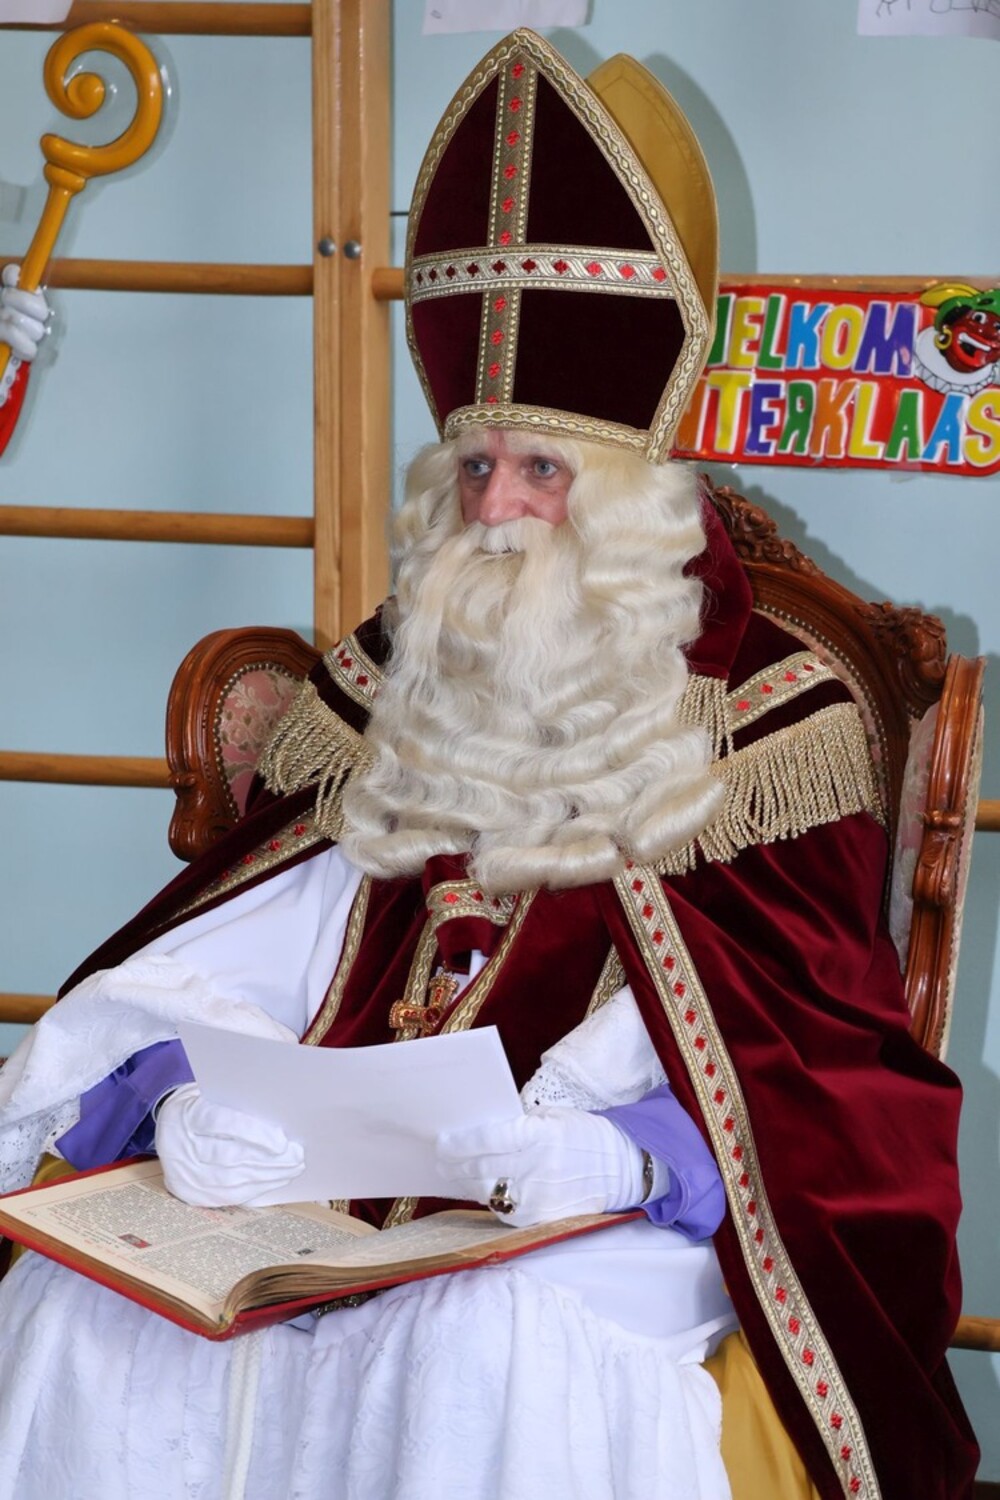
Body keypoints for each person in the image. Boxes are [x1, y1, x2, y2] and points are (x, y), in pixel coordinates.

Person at [0, 29, 979, 1500]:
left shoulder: (776, 706)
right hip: (334, 1198)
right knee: (86, 1315)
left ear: (632, 492)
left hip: (612, 1214)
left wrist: (637, 1153)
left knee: (481, 1348)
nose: (498, 512)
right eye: (475, 467)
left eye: (543, 471)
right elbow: (268, 925)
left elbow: (822, 1055)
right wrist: (183, 1085)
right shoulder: (407, 662)